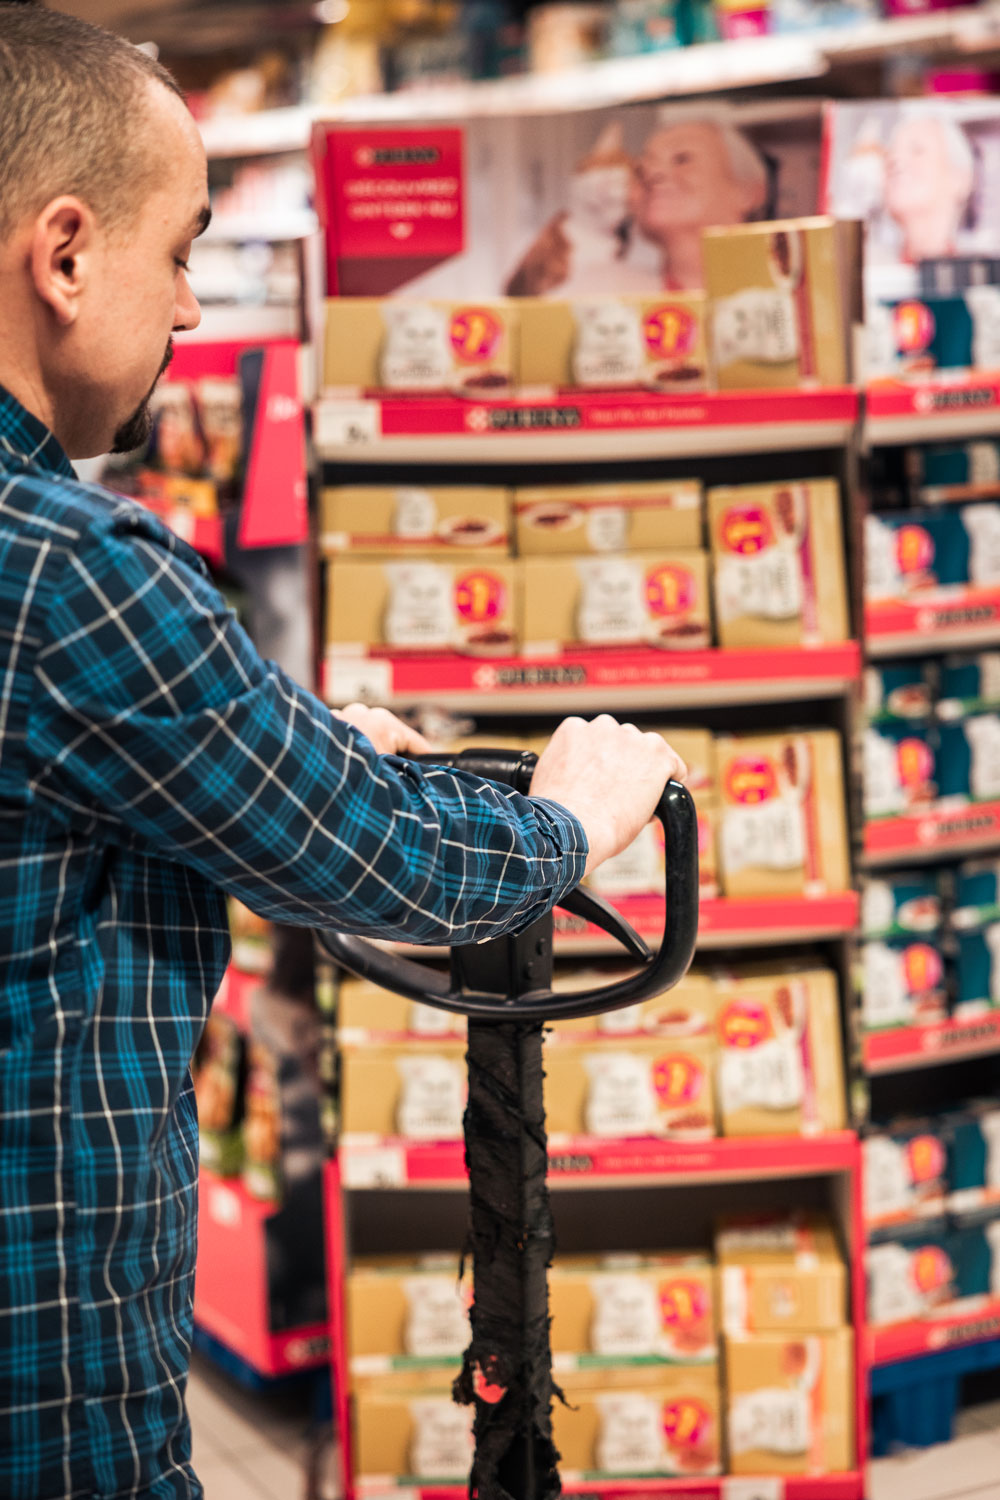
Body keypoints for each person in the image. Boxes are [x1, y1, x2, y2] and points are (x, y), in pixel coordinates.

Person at [0, 8, 686, 1500]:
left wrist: (290, 744)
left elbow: (71, 789)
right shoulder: (72, 569)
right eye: (180, 251)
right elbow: (399, 870)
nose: (191, 308)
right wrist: (571, 821)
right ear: (64, 256)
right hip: (46, 1390)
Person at [504, 116, 768, 298]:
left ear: (747, 191)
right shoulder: (603, 294)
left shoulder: (787, 297)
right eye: (642, 168)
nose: (653, 173)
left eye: (682, 159)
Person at [883, 109, 976, 264]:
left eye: (917, 150)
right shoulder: (872, 272)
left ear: (960, 178)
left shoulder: (980, 277)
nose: (895, 160)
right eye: (891, 152)